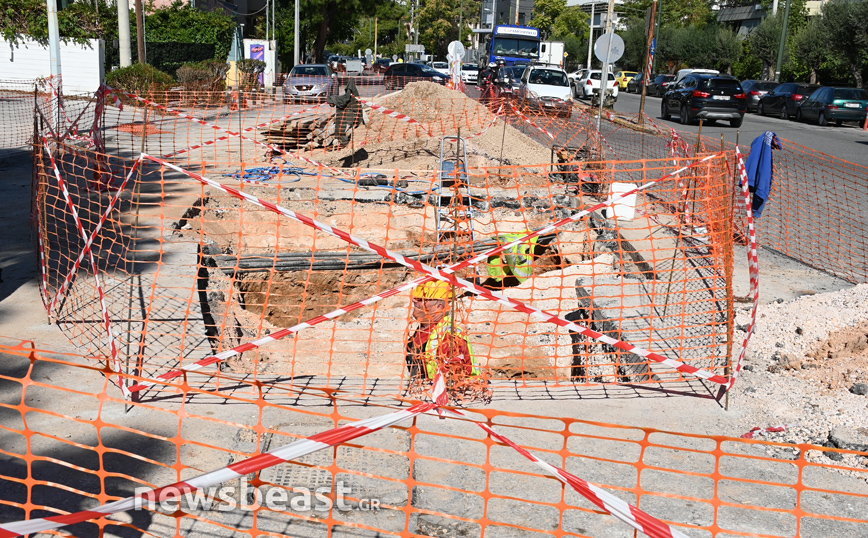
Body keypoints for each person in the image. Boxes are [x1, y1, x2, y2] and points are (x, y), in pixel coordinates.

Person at [405, 280, 484, 397]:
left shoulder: (449, 337)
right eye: (416, 298)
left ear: (439, 306)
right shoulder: (423, 329)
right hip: (425, 391)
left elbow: (453, 383)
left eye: (421, 299)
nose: (414, 301)